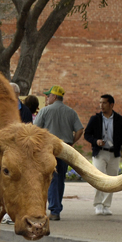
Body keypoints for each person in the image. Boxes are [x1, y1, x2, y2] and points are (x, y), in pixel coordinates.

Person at [34, 84, 84, 221]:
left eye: (48, 95)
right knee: (60, 178)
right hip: (64, 149)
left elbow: (35, 129)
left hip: (49, 149)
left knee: (50, 179)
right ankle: (56, 208)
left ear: (54, 96)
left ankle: (54, 210)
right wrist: (72, 142)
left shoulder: (45, 111)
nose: (47, 98)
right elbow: (80, 130)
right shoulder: (71, 112)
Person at [83, 94, 122, 215]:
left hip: (114, 154)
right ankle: (98, 205)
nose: (101, 105)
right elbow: (87, 134)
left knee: (112, 180)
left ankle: (106, 205)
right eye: (100, 103)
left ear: (111, 105)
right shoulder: (95, 119)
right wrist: (96, 141)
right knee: (100, 178)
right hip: (100, 153)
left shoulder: (120, 120)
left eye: (104, 103)